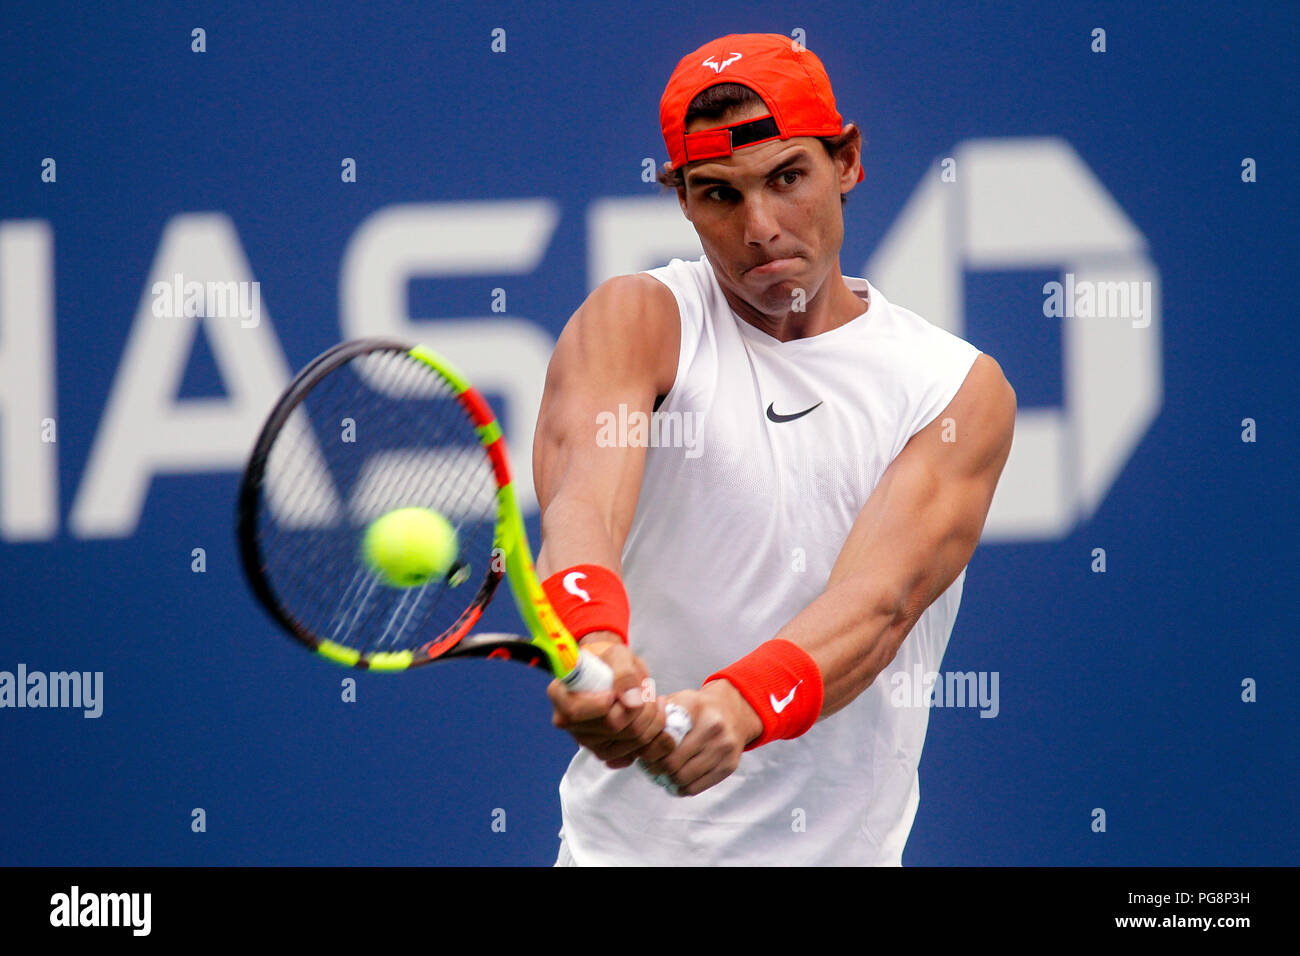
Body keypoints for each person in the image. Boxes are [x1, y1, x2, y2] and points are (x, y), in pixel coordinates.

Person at [533, 33, 1015, 865]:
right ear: (681, 199)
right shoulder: (637, 323)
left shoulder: (953, 390)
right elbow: (580, 506)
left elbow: (880, 604)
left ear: (848, 161)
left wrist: (740, 704)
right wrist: (592, 639)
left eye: (787, 178)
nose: (759, 228)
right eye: (719, 195)